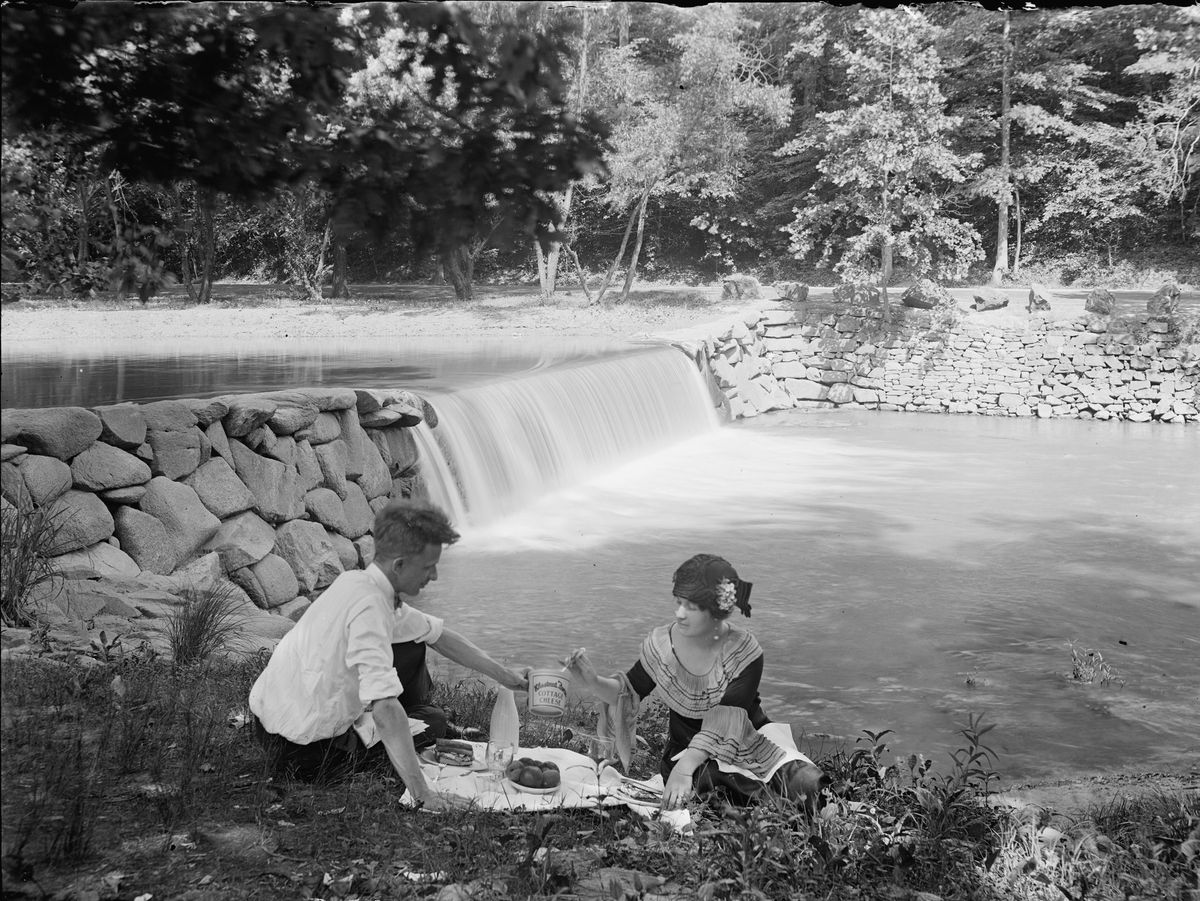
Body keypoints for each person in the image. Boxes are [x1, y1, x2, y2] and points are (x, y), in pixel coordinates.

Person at [249, 498, 528, 809]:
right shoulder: (371, 609)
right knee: (431, 724)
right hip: (304, 752)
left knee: (417, 650)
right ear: (399, 565)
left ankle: (421, 722)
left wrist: (505, 676)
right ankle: (410, 743)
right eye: (428, 567)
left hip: (266, 724)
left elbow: (438, 635)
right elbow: (384, 709)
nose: (434, 576)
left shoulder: (358, 582)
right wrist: (425, 796)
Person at [565, 553, 825, 811]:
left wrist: (685, 769)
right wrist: (593, 680)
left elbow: (726, 721)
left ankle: (798, 806)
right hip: (688, 753)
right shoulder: (664, 645)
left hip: (749, 742)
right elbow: (627, 691)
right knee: (718, 786)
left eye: (691, 606)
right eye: (678, 602)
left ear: (715, 610)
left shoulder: (744, 651)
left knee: (809, 784)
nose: (679, 614)